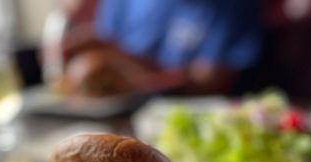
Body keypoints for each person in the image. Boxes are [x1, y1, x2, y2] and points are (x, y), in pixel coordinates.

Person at [44, 0, 262, 94]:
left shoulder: (231, 6)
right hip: (110, 118)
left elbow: (212, 80)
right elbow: (105, 43)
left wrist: (128, 60)